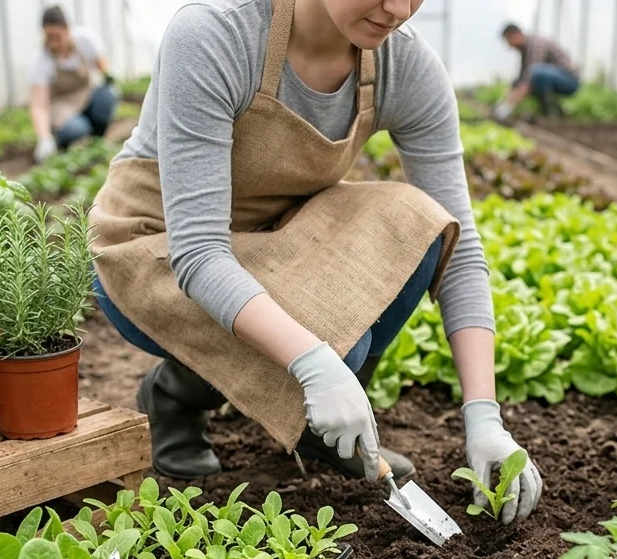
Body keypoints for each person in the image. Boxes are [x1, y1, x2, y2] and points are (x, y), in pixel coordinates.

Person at [90, 0, 543, 525]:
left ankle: (322, 429)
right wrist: (314, 362)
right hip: (155, 250)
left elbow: (459, 252)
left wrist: (485, 418)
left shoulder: (405, 66)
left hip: (272, 243)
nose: (398, 9)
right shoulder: (217, 34)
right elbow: (199, 253)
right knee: (331, 351)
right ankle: (174, 393)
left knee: (418, 219)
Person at [29, 6, 117, 163]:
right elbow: (39, 104)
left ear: (67, 28)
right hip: (62, 105)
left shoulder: (85, 39)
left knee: (108, 95)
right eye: (49, 36)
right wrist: (44, 138)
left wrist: (108, 79)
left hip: (86, 95)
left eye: (57, 36)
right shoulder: (41, 58)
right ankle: (61, 142)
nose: (53, 42)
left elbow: (103, 67)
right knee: (76, 129)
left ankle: (97, 140)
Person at [494, 23, 579, 121]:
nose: (509, 46)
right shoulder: (525, 49)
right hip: (552, 77)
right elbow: (521, 78)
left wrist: (509, 106)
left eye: (509, 41)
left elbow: (528, 80)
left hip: (569, 80)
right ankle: (551, 111)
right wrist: (503, 101)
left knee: (537, 73)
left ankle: (552, 111)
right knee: (527, 79)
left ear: (516, 35)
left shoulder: (535, 43)